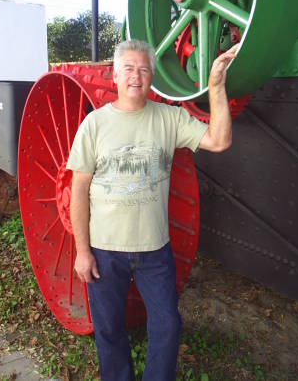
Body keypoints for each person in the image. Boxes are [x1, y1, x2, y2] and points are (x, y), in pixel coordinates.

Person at [66, 39, 238, 381]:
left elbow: (219, 140)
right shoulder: (94, 125)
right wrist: (82, 251)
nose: (136, 76)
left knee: (167, 326)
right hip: (104, 251)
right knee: (109, 330)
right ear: (115, 76)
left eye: (144, 70)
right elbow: (79, 190)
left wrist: (216, 85)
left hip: (154, 252)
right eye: (128, 69)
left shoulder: (169, 119)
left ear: (151, 78)